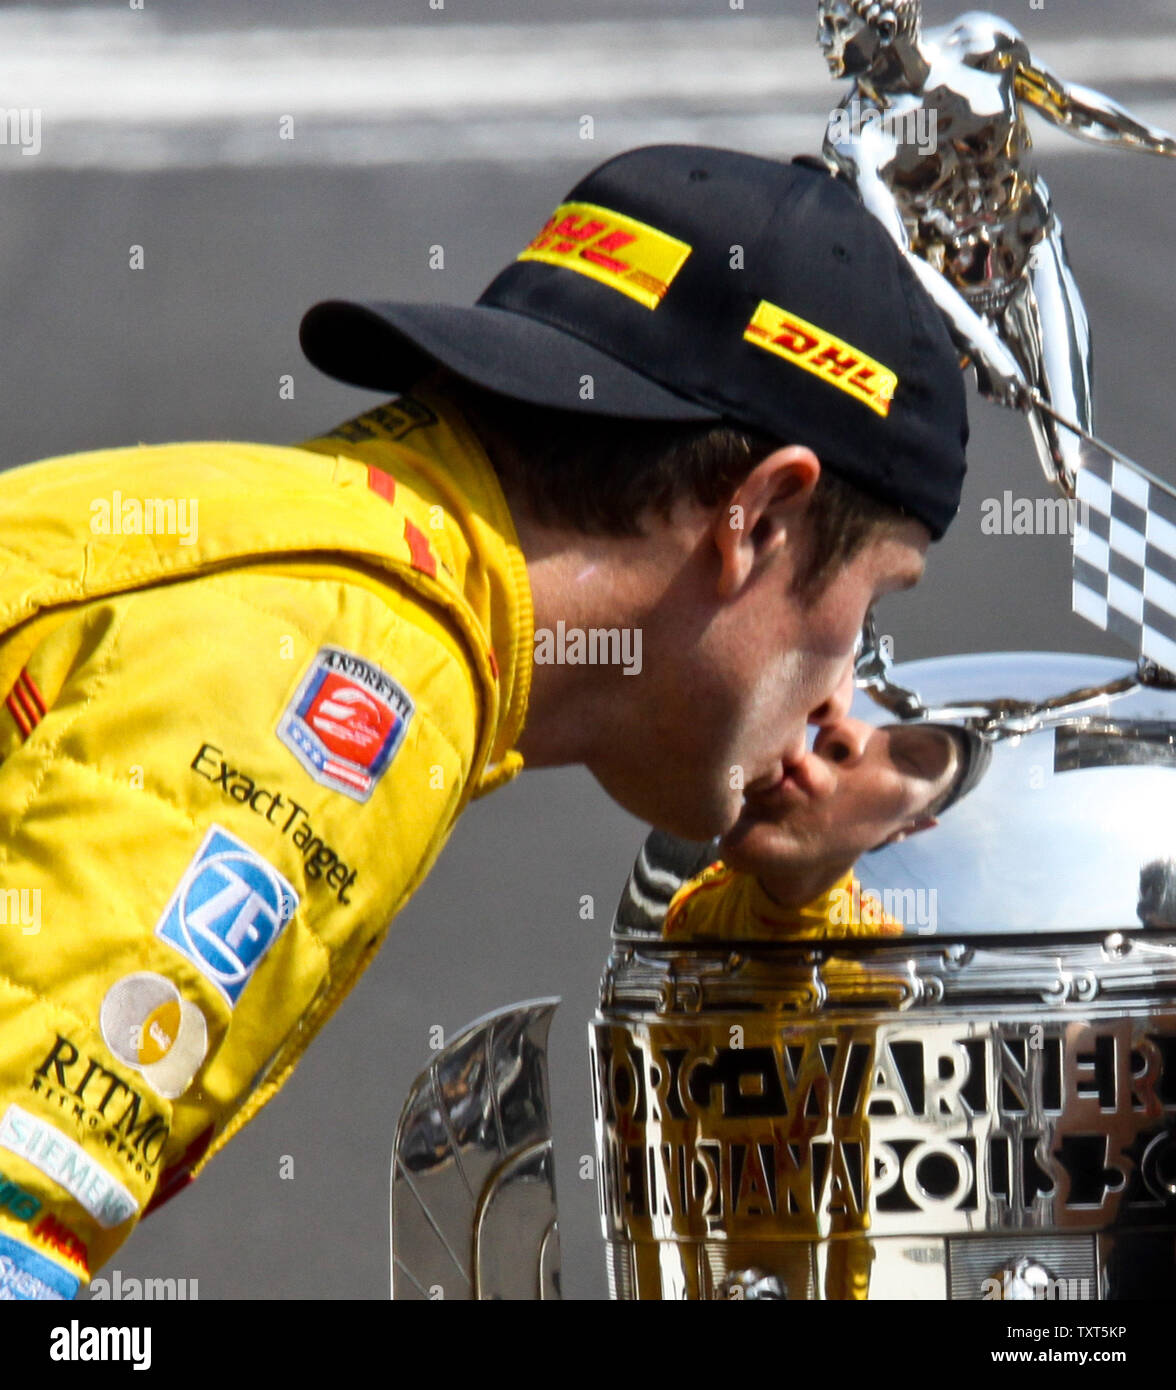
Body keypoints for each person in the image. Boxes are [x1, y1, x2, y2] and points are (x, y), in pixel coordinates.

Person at [0, 143, 968, 1298]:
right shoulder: (351, 677)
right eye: (870, 607)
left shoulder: (325, 547)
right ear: (758, 515)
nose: (844, 701)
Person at [816, 0, 1176, 488]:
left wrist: (1162, 140)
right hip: (944, 288)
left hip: (1028, 252)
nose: (825, 42)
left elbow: (1065, 104)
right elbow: (897, 256)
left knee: (1072, 457)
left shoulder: (983, 47)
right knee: (882, 450)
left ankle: (1113, 537)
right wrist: (984, 348)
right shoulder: (857, 133)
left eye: (838, 28)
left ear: (884, 29)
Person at [661, 715, 989, 940]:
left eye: (909, 757)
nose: (839, 731)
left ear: (907, 829)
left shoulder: (879, 962)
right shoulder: (688, 909)